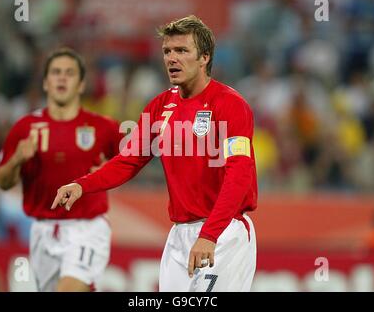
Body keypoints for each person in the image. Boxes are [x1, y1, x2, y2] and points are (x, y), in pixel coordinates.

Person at [52, 15, 258, 292]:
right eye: (167, 51)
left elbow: (239, 174)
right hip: (179, 235)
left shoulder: (230, 105)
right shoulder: (160, 106)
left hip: (224, 231)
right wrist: (82, 184)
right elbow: (129, 160)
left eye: (182, 51)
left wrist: (210, 235)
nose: (172, 58)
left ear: (204, 57)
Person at [0, 48, 122, 292]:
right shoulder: (25, 128)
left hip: (87, 228)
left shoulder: (103, 127)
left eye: (69, 73)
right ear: (45, 82)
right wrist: (17, 159)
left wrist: (109, 170)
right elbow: (3, 181)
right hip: (43, 230)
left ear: (81, 84)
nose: (62, 78)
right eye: (55, 72)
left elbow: (136, 160)